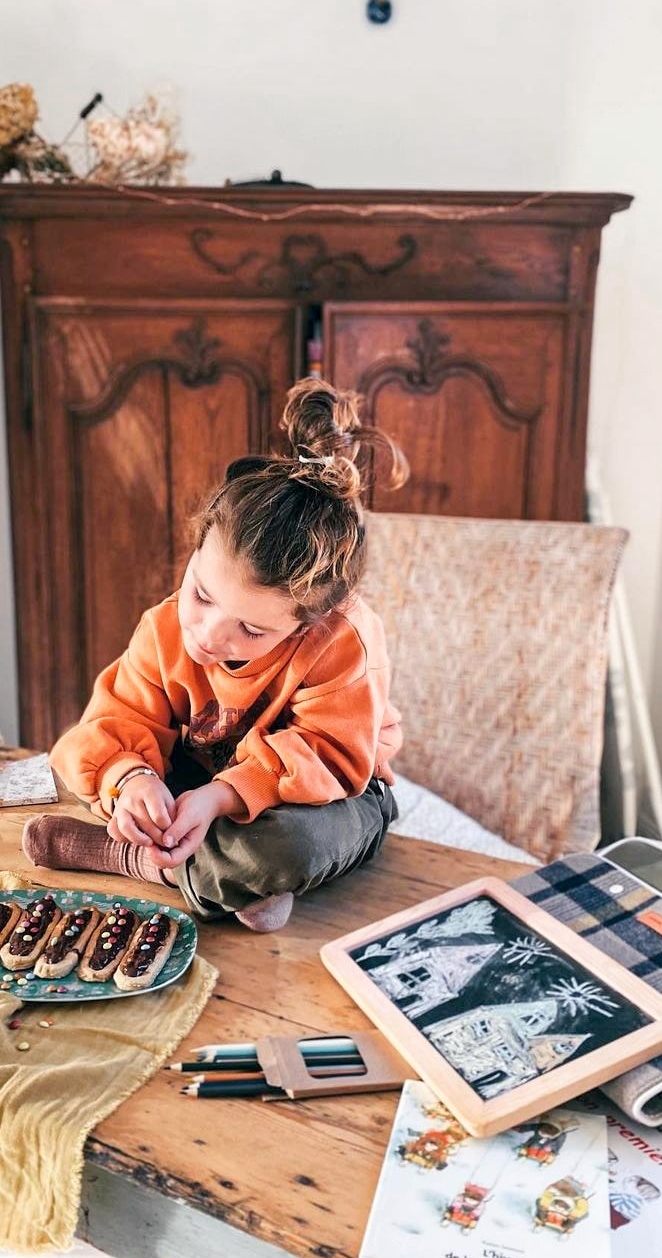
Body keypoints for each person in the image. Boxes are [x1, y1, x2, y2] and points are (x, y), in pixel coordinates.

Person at [22, 378, 407, 932]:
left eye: (251, 629)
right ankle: (215, 875)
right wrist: (133, 783)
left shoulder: (345, 641)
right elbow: (115, 722)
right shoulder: (164, 627)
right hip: (203, 781)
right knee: (96, 772)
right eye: (201, 594)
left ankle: (135, 861)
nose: (207, 634)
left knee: (287, 849)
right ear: (196, 548)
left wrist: (219, 800)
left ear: (310, 621)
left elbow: (329, 756)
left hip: (321, 792)